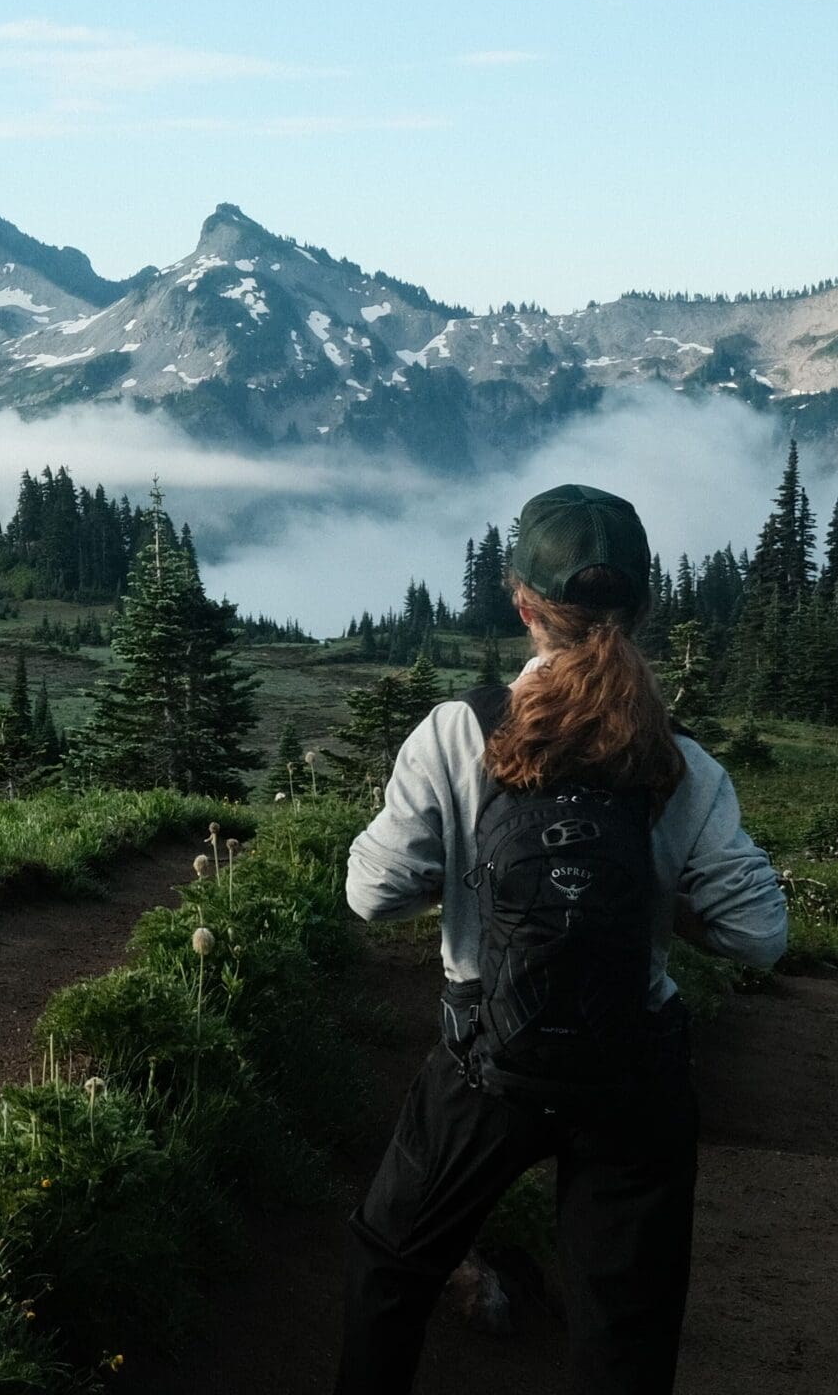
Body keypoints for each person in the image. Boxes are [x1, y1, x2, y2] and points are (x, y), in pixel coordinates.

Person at [334, 484, 787, 1395]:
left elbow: (369, 895)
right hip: (633, 1070)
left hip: (485, 1059)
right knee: (625, 1326)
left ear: (521, 602)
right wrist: (667, 905)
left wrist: (460, 879)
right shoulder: (681, 761)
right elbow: (759, 935)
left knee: (393, 1265)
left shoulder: (459, 732)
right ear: (644, 607)